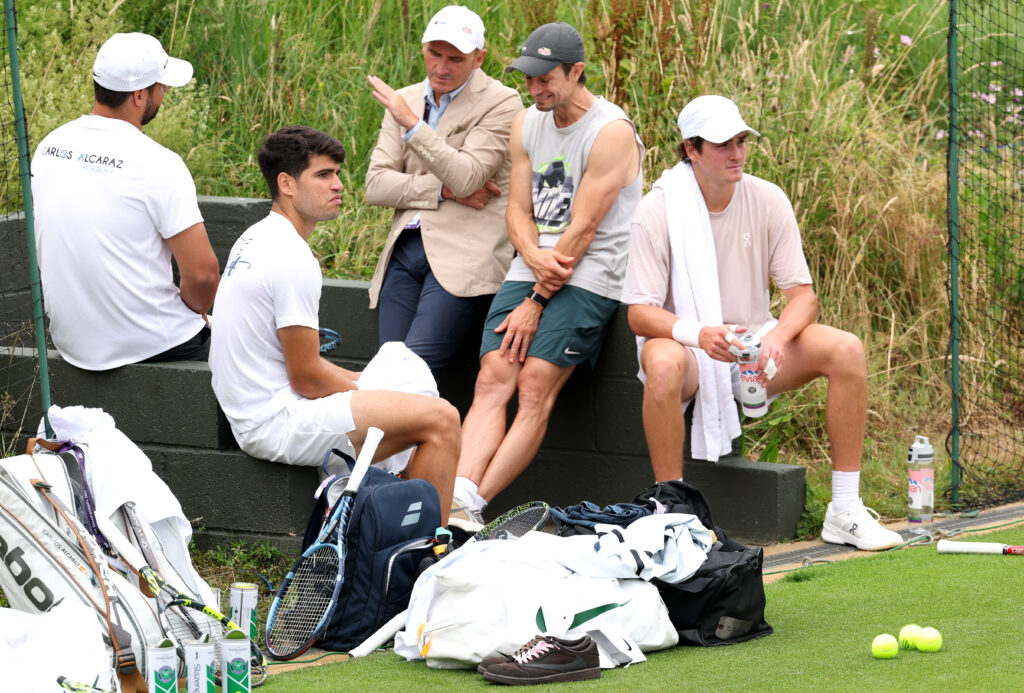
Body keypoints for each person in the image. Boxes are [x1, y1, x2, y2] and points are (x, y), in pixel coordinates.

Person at [622, 94, 901, 551]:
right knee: (665, 363)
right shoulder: (656, 211)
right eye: (723, 144)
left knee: (847, 349)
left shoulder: (768, 198)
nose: (737, 153)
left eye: (741, 141)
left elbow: (803, 296)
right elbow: (639, 313)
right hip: (688, 347)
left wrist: (778, 336)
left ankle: (845, 510)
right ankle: (672, 516)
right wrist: (701, 334)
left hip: (754, 345)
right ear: (691, 149)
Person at [209, 126, 459, 522]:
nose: (339, 185)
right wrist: (372, 391)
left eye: (337, 174)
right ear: (287, 184)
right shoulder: (291, 257)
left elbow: (298, 365)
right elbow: (307, 379)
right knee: (441, 419)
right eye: (323, 175)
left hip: (262, 407)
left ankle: (394, 520)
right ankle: (421, 545)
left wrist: (367, 384)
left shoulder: (257, 236)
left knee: (401, 363)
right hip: (275, 422)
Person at [451, 23, 645, 519]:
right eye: (528, 78)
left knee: (535, 382)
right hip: (534, 262)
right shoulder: (526, 122)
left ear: (576, 72)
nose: (534, 88)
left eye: (545, 79)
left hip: (590, 270)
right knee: (494, 374)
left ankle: (472, 505)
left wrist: (535, 301)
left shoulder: (612, 132)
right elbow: (518, 209)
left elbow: (584, 230)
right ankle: (456, 497)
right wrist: (532, 255)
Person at [31, 32, 219, 371]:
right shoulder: (158, 163)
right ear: (139, 95)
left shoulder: (49, 147)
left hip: (73, 342)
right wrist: (197, 314)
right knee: (266, 357)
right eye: (162, 86)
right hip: (152, 343)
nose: (165, 93)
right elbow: (204, 275)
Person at [365, 5, 523, 373]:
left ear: (479, 59)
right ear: (423, 48)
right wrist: (443, 191)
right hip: (404, 249)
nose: (441, 67)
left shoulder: (503, 101)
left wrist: (412, 124)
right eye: (434, 53)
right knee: (386, 369)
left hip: (464, 257)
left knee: (413, 372)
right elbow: (375, 185)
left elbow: (468, 178)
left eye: (456, 59)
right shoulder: (405, 97)